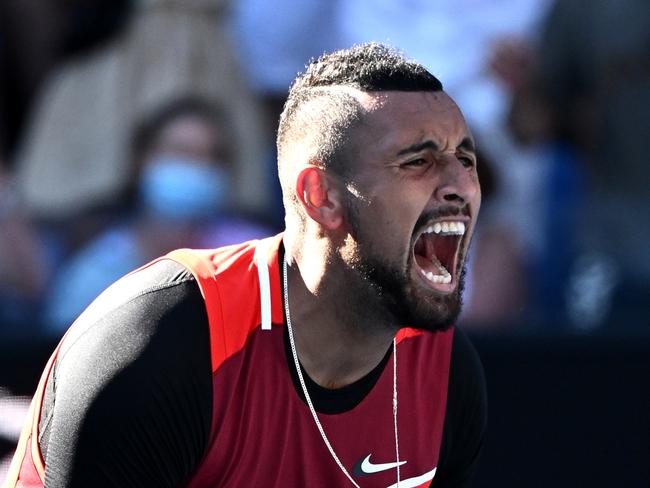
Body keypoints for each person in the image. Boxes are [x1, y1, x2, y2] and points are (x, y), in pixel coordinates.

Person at [6, 43, 487, 487]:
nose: (460, 186)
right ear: (320, 197)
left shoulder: (446, 372)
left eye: (466, 160)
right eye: (418, 162)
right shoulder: (163, 345)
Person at [42, 96, 273, 334]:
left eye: (211, 156)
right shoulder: (99, 268)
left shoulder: (255, 256)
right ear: (142, 161)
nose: (197, 167)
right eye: (183, 152)